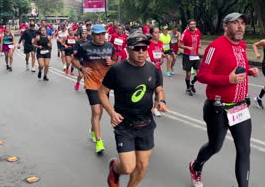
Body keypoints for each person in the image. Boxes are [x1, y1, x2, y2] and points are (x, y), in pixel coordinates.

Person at [189, 13, 259, 187]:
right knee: (215, 146)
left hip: (240, 107)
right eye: (235, 23)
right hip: (218, 108)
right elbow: (202, 75)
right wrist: (228, 80)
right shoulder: (215, 46)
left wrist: (249, 71)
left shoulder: (242, 45)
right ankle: (196, 166)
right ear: (225, 26)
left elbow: (237, 65)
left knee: (244, 151)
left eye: (242, 23)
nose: (240, 26)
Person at [99, 31, 168, 187]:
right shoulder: (117, 70)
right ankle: (115, 169)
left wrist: (161, 100)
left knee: (142, 166)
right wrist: (111, 112)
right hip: (124, 125)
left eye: (144, 48)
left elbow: (158, 88)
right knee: (128, 167)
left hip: (146, 124)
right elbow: (102, 92)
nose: (141, 52)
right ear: (128, 49)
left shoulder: (154, 69)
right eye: (137, 49)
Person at [72, 24, 116, 153]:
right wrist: (81, 68)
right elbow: (74, 60)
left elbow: (115, 60)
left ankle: (93, 129)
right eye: (98, 34)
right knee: (96, 111)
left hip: (105, 84)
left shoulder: (110, 46)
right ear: (93, 36)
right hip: (91, 82)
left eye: (103, 34)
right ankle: (99, 141)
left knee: (101, 110)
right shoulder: (84, 47)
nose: (101, 36)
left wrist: (112, 63)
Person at [180, 19, 202, 96]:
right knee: (188, 74)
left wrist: (199, 44)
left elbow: (199, 40)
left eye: (194, 24)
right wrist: (187, 48)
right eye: (191, 24)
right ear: (188, 25)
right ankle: (188, 88)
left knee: (199, 74)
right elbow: (180, 45)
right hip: (187, 55)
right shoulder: (185, 33)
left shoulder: (198, 32)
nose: (193, 25)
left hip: (195, 55)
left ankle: (192, 83)